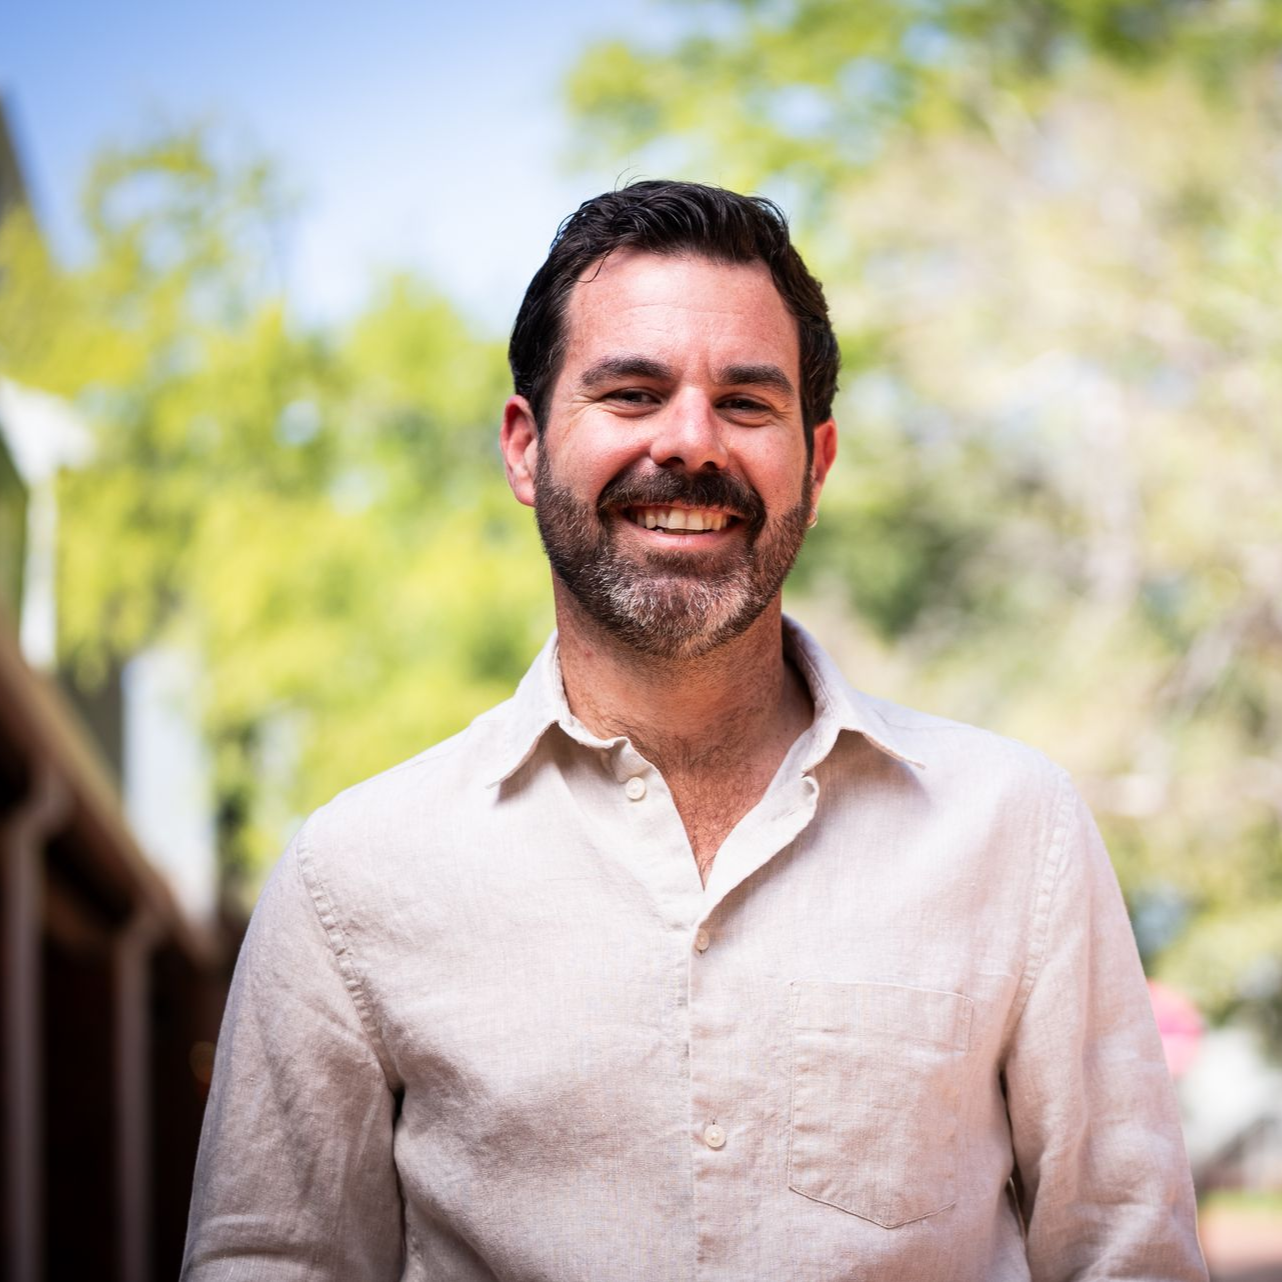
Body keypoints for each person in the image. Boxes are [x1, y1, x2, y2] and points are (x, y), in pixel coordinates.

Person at [182, 181, 1207, 1281]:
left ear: (816, 461)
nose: (690, 442)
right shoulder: (353, 877)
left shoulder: (1015, 831)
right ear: (525, 448)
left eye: (746, 403)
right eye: (630, 393)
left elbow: (1127, 1255)